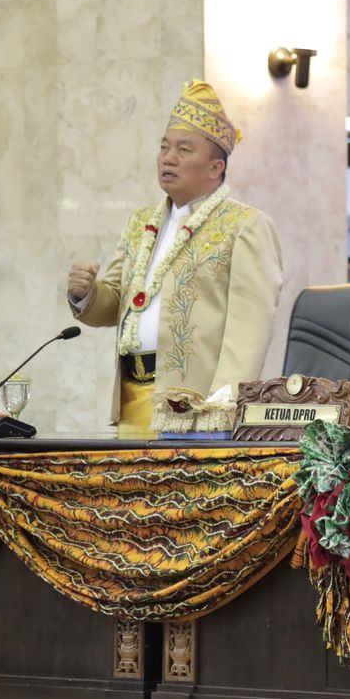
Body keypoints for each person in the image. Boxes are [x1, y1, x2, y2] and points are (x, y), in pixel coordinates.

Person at [67, 80, 283, 434]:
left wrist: (222, 406)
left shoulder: (244, 225)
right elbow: (118, 303)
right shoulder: (140, 223)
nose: (168, 158)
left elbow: (251, 328)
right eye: (164, 147)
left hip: (195, 410)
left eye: (184, 149)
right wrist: (86, 293)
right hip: (132, 401)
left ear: (215, 168)